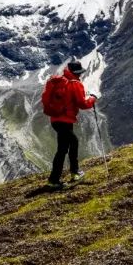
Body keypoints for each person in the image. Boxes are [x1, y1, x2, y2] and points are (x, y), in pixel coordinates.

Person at [41, 60, 97, 188]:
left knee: (64, 148)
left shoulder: (60, 81)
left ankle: (58, 178)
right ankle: (67, 175)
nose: (79, 75)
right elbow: (82, 104)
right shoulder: (75, 84)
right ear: (74, 72)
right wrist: (93, 99)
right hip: (65, 121)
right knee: (69, 145)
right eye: (78, 73)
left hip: (55, 120)